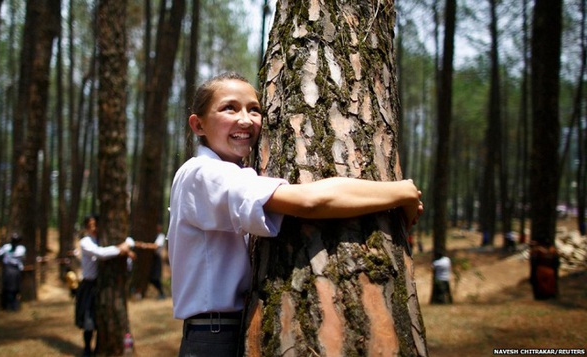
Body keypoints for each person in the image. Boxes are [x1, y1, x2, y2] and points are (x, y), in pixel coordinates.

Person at [167, 72, 424, 357]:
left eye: (254, 109)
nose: (245, 119)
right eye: (229, 107)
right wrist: (401, 192)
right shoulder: (204, 174)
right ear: (198, 124)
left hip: (224, 330)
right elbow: (308, 201)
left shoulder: (221, 174)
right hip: (215, 339)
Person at [75, 215, 135, 357]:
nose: (94, 228)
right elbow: (101, 253)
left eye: (96, 224)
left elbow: (126, 246)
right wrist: (121, 248)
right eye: (90, 225)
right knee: (88, 320)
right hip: (89, 285)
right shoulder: (86, 242)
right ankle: (87, 349)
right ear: (86, 228)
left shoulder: (102, 240)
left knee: (101, 318)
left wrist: (127, 247)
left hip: (102, 285)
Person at [0, 233, 26, 311]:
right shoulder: (21, 248)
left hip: (10, 269)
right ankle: (10, 306)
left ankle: (11, 305)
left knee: (12, 287)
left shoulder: (6, 247)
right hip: (13, 269)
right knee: (11, 288)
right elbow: (22, 257)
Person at [149, 223, 166, 299]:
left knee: (156, 277)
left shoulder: (161, 236)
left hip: (157, 258)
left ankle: (162, 293)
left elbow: (156, 246)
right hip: (152, 258)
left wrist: (144, 245)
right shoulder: (153, 236)